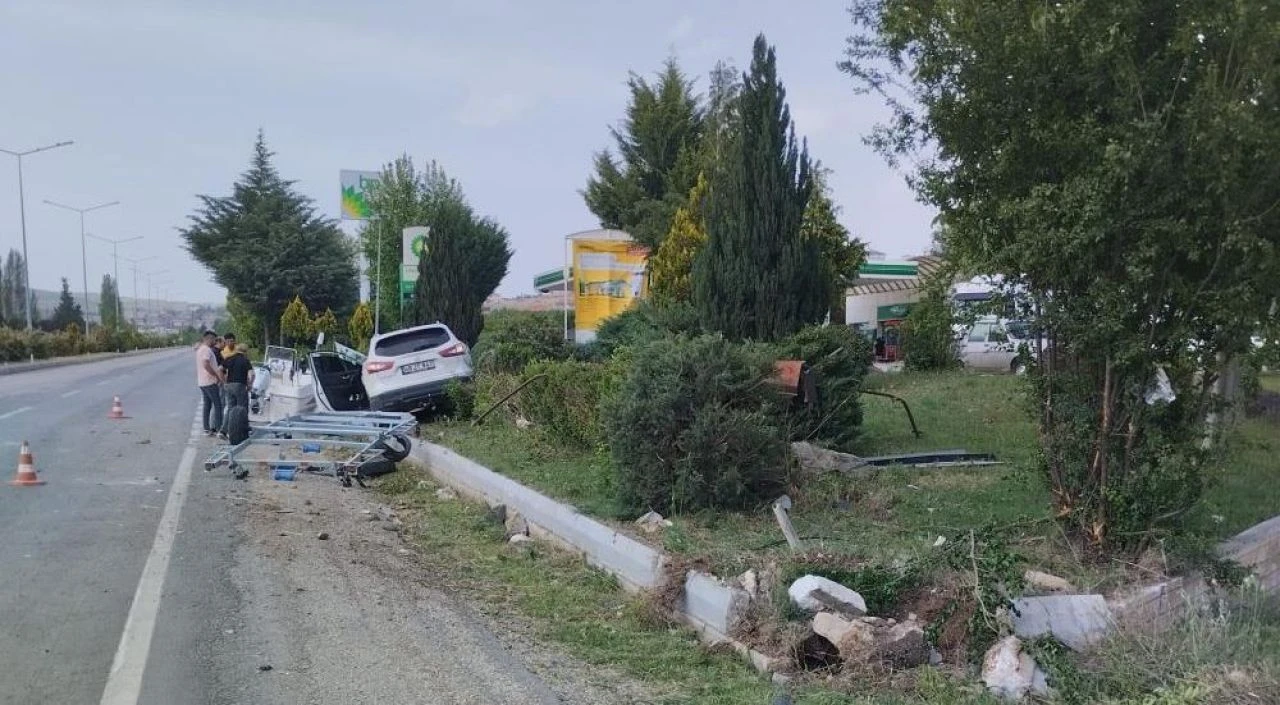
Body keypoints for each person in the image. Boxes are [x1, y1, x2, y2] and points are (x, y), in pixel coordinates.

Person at [219, 341, 255, 437]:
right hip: (240, 386)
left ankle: (223, 431)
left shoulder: (229, 358)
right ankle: (243, 430)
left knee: (231, 409)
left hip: (229, 386)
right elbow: (252, 374)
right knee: (242, 409)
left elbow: (220, 369)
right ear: (245, 351)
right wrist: (250, 385)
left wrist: (223, 381)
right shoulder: (245, 360)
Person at [195, 330, 223, 436]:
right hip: (210, 381)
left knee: (207, 405)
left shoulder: (200, 349)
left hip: (202, 382)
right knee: (218, 405)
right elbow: (206, 364)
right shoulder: (206, 350)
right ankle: (219, 428)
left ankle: (206, 428)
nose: (214, 342)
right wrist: (216, 375)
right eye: (214, 340)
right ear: (208, 338)